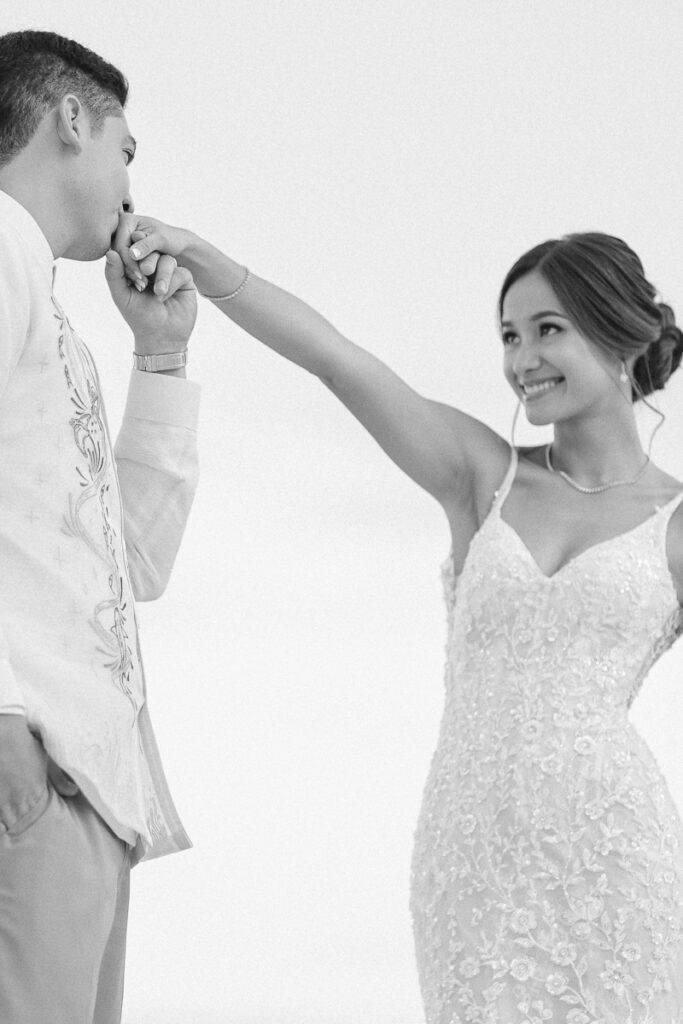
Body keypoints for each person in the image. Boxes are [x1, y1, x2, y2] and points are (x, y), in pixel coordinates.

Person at [116, 218, 683, 1021]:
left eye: (547, 329)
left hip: (616, 852)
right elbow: (336, 360)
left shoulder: (674, 524)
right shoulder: (481, 474)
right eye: (508, 336)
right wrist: (202, 259)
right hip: (471, 851)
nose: (521, 359)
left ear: (618, 330)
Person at [0, 31, 200, 1024]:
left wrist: (160, 356)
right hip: (31, 754)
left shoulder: (49, 308)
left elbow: (135, 561)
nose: (131, 184)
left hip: (83, 783)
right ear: (71, 119)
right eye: (128, 149)